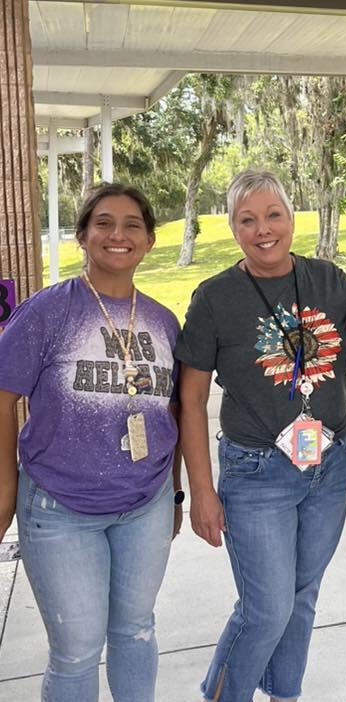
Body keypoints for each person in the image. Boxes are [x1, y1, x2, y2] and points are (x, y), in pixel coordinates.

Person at [176, 169, 346, 702]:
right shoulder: (215, 298)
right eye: (247, 220)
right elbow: (190, 400)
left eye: (273, 215)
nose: (263, 230)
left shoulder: (332, 283)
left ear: (292, 216)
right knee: (266, 608)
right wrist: (200, 492)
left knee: (301, 597)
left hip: (331, 464)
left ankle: (284, 693)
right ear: (232, 228)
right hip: (255, 473)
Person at [0, 183, 182, 702]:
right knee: (77, 650)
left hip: (143, 506)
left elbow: (170, 412)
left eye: (132, 225)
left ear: (148, 240)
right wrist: (6, 490)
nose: (117, 235)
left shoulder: (162, 322)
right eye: (103, 223)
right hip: (60, 508)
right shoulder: (45, 313)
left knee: (136, 630)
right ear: (82, 235)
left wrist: (173, 492)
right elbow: (2, 397)